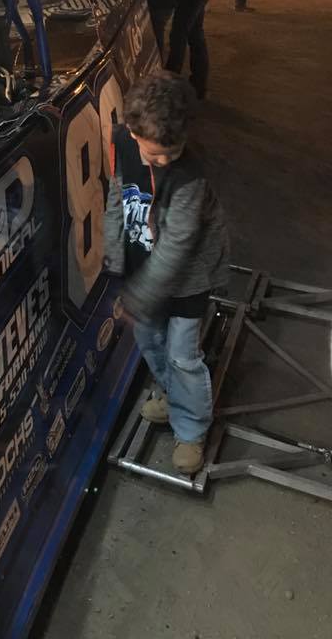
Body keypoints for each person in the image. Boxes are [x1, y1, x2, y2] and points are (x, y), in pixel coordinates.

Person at [104, 71, 229, 475]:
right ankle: (174, 397)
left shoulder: (191, 172)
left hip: (189, 279)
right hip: (144, 268)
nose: (164, 162)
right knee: (150, 342)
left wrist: (138, 298)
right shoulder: (122, 143)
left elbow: (178, 242)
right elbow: (117, 196)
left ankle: (191, 428)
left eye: (172, 153)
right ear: (132, 131)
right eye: (155, 154)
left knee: (182, 355)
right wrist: (114, 260)